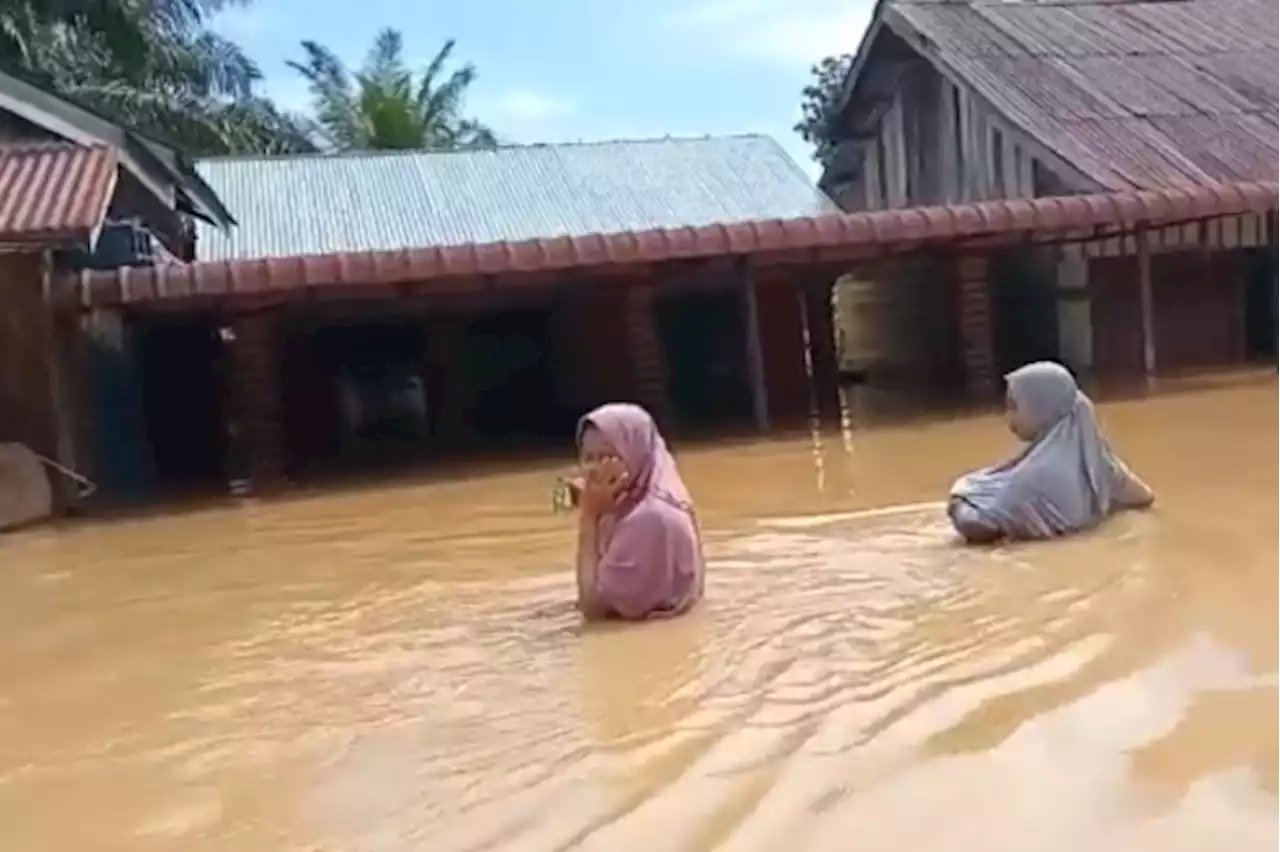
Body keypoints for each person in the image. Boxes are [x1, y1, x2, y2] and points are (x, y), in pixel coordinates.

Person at [948, 361, 1154, 543]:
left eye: (1014, 406)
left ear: (1041, 408)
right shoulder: (1099, 463)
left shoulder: (1032, 478)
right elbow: (1145, 497)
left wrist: (958, 501)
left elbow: (977, 526)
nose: (1008, 417)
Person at [568, 402, 704, 620]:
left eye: (606, 457)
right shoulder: (625, 501)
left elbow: (592, 607)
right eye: (588, 458)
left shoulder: (649, 517)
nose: (593, 469)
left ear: (635, 455)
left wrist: (589, 518)